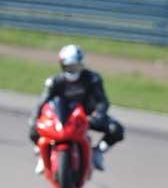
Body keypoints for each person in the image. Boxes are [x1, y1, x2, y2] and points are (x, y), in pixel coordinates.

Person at [28, 45, 124, 174]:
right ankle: (43, 155)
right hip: (61, 118)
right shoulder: (54, 82)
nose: (73, 71)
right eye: (69, 67)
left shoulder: (93, 79)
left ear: (81, 64)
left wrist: (97, 116)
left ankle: (98, 152)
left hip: (87, 117)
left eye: (76, 67)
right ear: (62, 65)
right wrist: (34, 119)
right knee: (34, 129)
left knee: (116, 129)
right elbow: (42, 103)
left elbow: (102, 102)